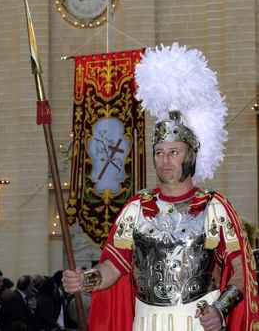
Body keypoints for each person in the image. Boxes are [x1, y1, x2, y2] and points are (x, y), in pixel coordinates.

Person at [62, 43, 259, 331]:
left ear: (191, 156)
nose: (165, 160)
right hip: (146, 322)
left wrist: (221, 309)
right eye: (159, 152)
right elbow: (114, 267)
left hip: (198, 323)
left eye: (174, 152)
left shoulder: (214, 207)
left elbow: (241, 272)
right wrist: (86, 279)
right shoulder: (136, 208)